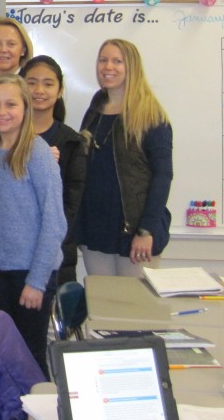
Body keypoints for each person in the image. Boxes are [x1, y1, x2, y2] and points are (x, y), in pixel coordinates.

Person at [0, 75, 66, 377]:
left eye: (11, 104)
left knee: (29, 358)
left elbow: (54, 222)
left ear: (25, 107)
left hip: (32, 275)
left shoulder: (37, 152)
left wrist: (37, 281)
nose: (2, 111)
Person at [77, 39, 172, 276]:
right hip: (95, 229)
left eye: (117, 61)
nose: (108, 67)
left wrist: (146, 230)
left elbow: (163, 176)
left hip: (136, 232)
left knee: (134, 299)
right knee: (100, 297)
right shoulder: (95, 110)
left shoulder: (151, 115)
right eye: (103, 60)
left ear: (131, 67)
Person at [22, 55, 87, 284]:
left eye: (48, 84)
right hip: (12, 253)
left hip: (57, 254)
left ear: (59, 91)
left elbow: (71, 203)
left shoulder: (71, 142)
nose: (39, 90)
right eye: (31, 83)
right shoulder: (5, 139)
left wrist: (47, 240)